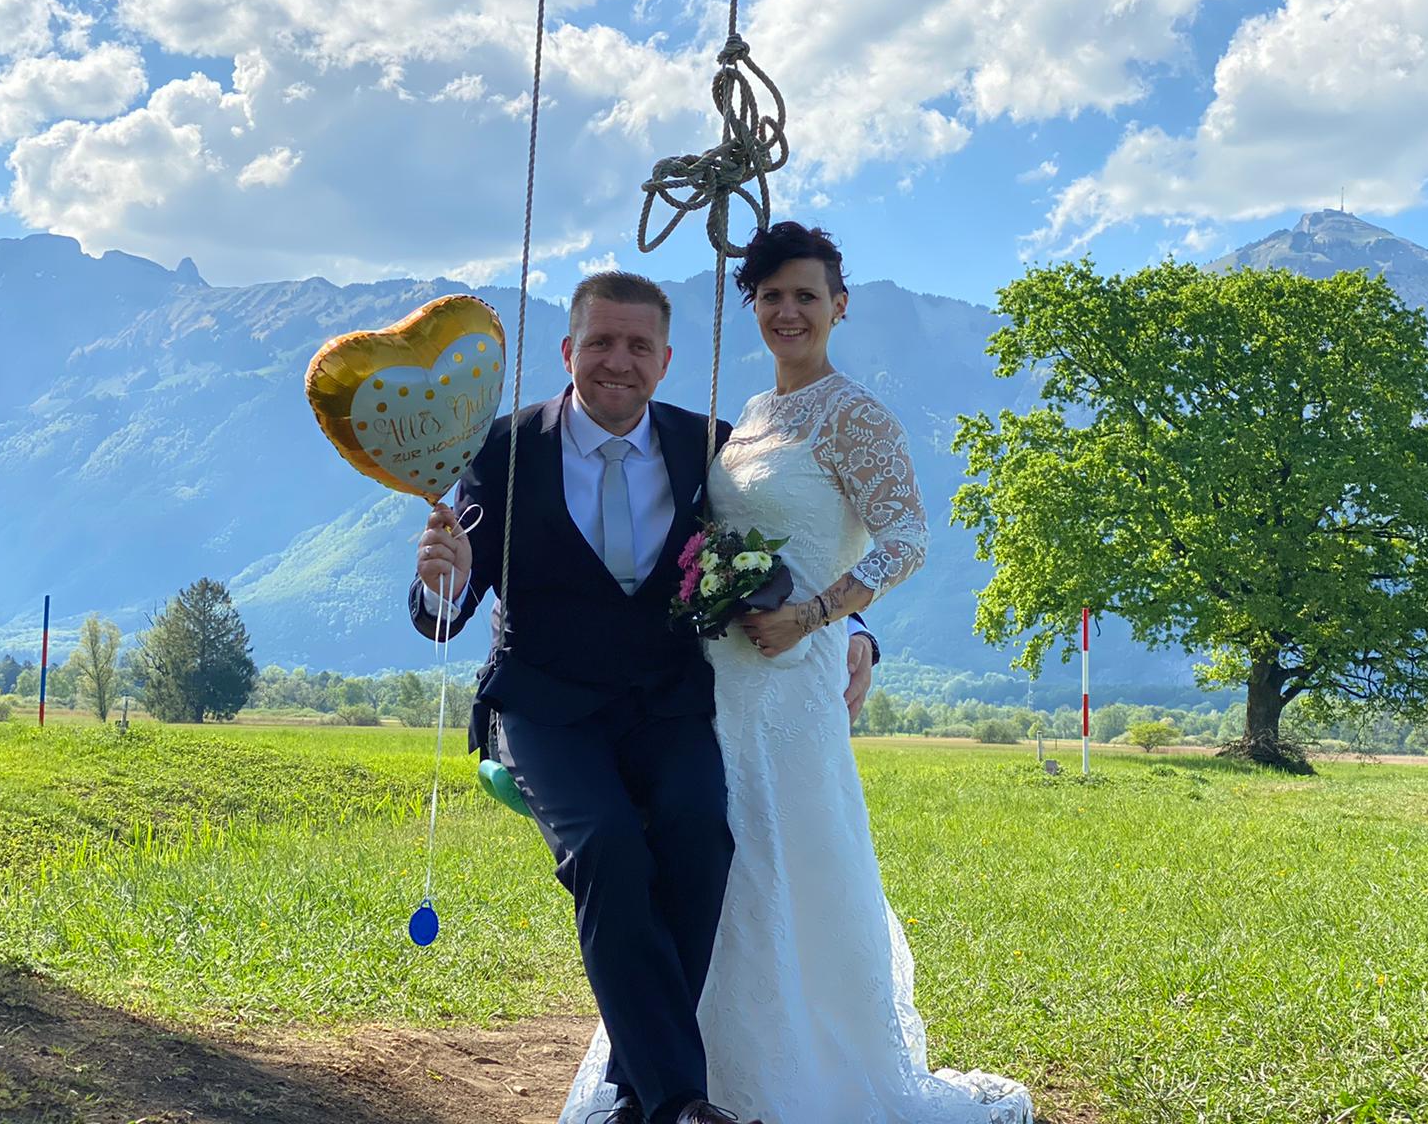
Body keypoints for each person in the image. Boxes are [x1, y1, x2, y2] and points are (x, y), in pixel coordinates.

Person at [557, 226, 1034, 1123]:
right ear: (754, 307)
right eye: (771, 296)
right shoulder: (752, 413)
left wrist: (823, 616)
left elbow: (907, 537)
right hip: (715, 686)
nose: (788, 312)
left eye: (806, 296)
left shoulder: (856, 415)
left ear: (838, 307)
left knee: (784, 863)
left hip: (791, 681)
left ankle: (794, 1079)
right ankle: (678, 1081)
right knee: (702, 866)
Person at [408, 271, 877, 1124]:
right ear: (568, 351)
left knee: (702, 841)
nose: (617, 362)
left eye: (636, 346)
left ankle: (640, 1090)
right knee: (610, 851)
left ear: (664, 360)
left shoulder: (707, 445)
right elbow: (444, 608)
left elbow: (789, 547)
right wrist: (445, 579)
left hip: (667, 705)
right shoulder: (502, 449)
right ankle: (677, 1104)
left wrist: (855, 631)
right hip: (545, 708)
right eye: (600, 342)